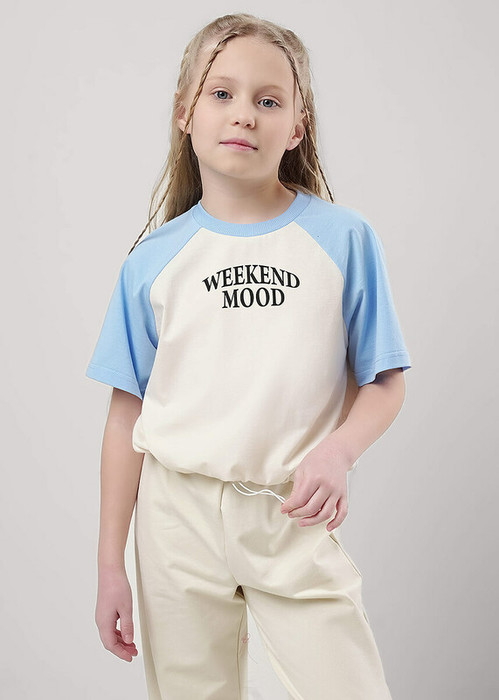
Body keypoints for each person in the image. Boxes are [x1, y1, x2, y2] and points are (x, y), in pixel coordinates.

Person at [85, 12, 412, 700]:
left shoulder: (343, 239)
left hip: (289, 512)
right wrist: (110, 565)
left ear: (296, 127)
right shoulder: (151, 261)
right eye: (221, 93)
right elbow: (125, 416)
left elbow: (384, 380)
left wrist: (338, 452)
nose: (244, 114)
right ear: (185, 113)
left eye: (268, 100)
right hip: (175, 520)